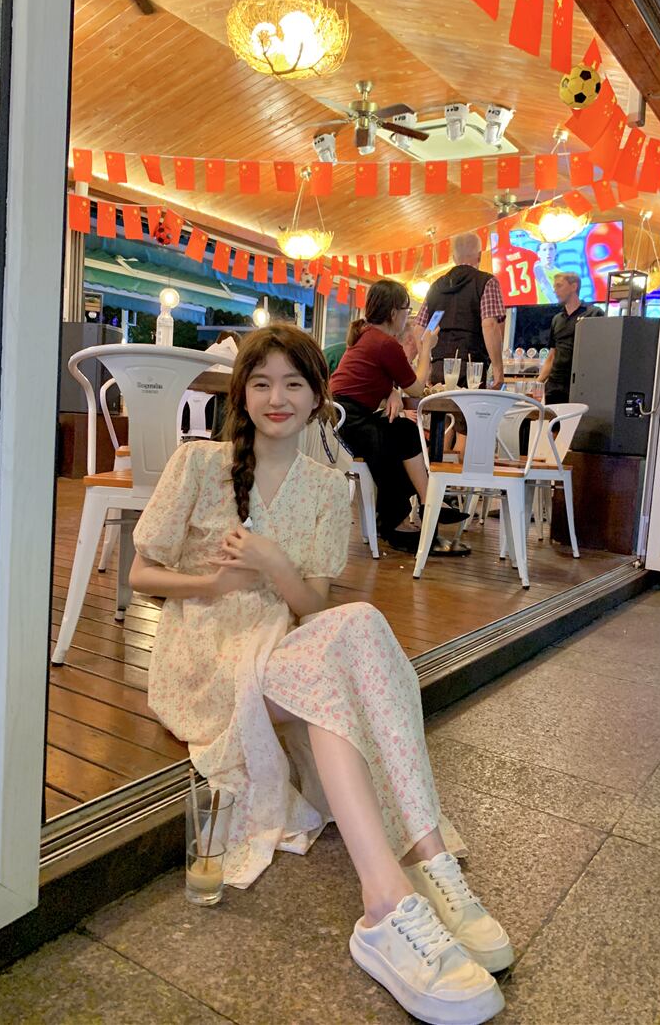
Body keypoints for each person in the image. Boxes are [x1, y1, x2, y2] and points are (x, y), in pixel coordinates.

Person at [129, 325, 512, 1025]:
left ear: (317, 398)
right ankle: (396, 894)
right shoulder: (198, 464)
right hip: (205, 658)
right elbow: (140, 573)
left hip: (281, 646)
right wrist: (212, 584)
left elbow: (311, 606)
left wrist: (273, 563)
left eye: (293, 383)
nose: (277, 397)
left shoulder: (329, 487)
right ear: (242, 395)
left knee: (358, 623)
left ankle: (422, 868)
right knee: (341, 659)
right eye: (261, 383)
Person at [330, 279, 468, 553]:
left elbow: (367, 381)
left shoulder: (366, 336)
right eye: (407, 310)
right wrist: (426, 348)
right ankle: (418, 508)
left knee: (403, 429)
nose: (409, 316)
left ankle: (415, 509)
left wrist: (391, 391)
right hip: (350, 424)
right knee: (403, 432)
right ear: (394, 312)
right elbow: (416, 389)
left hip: (339, 421)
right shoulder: (385, 343)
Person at [415, 232, 506, 391]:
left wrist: (426, 365)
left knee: (440, 407)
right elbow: (490, 326)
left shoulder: (436, 286)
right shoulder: (486, 282)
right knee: (468, 408)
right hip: (471, 370)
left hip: (439, 367)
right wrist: (498, 371)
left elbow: (419, 330)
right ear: (479, 256)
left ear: (454, 258)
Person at [537, 272, 605, 403]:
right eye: (554, 287)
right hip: (555, 385)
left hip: (580, 384)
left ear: (574, 286)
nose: (555, 291)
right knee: (552, 416)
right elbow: (552, 355)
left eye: (559, 286)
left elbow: (601, 352)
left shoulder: (593, 313)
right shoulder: (557, 319)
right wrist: (538, 382)